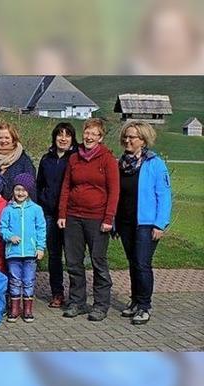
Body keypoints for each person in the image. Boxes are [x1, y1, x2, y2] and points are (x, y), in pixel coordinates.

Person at [58, 118, 120, 321]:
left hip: (97, 218)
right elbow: (66, 187)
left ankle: (101, 305)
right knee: (74, 262)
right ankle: (78, 302)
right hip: (74, 216)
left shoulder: (107, 159)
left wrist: (108, 218)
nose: (89, 136)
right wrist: (62, 214)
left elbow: (114, 191)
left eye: (94, 133)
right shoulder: (74, 158)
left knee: (98, 261)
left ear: (100, 137)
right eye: (87, 132)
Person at [115, 121, 172, 325]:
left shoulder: (155, 163)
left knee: (142, 263)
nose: (128, 140)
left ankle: (145, 305)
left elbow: (164, 195)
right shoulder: (120, 163)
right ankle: (135, 300)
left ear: (143, 140)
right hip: (125, 222)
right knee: (133, 263)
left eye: (133, 137)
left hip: (146, 223)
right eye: (126, 136)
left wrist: (160, 223)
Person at [36, 123, 78, 308]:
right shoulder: (46, 159)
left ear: (72, 138)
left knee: (72, 256)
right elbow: (39, 184)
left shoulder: (76, 159)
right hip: (49, 213)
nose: (63, 138)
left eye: (67, 135)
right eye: (60, 135)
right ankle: (57, 293)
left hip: (70, 214)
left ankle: (77, 295)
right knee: (54, 255)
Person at [0, 174, 46, 323]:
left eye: (24, 190)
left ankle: (27, 309)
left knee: (29, 280)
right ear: (13, 190)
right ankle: (14, 308)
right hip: (13, 252)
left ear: (29, 192)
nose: (20, 193)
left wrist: (40, 247)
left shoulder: (36, 209)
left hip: (30, 252)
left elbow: (41, 229)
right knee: (14, 280)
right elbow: (2, 227)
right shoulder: (8, 210)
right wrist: (9, 236)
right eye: (18, 189)